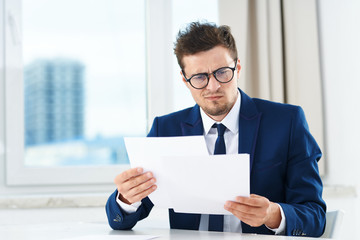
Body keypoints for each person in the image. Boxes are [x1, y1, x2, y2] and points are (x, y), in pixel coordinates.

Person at [105, 21, 326, 237]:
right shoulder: (165, 128)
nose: (213, 86)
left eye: (222, 72)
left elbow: (315, 217)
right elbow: (122, 221)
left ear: (237, 68)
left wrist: (273, 214)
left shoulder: (286, 122)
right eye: (199, 77)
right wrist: (126, 199)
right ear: (185, 80)